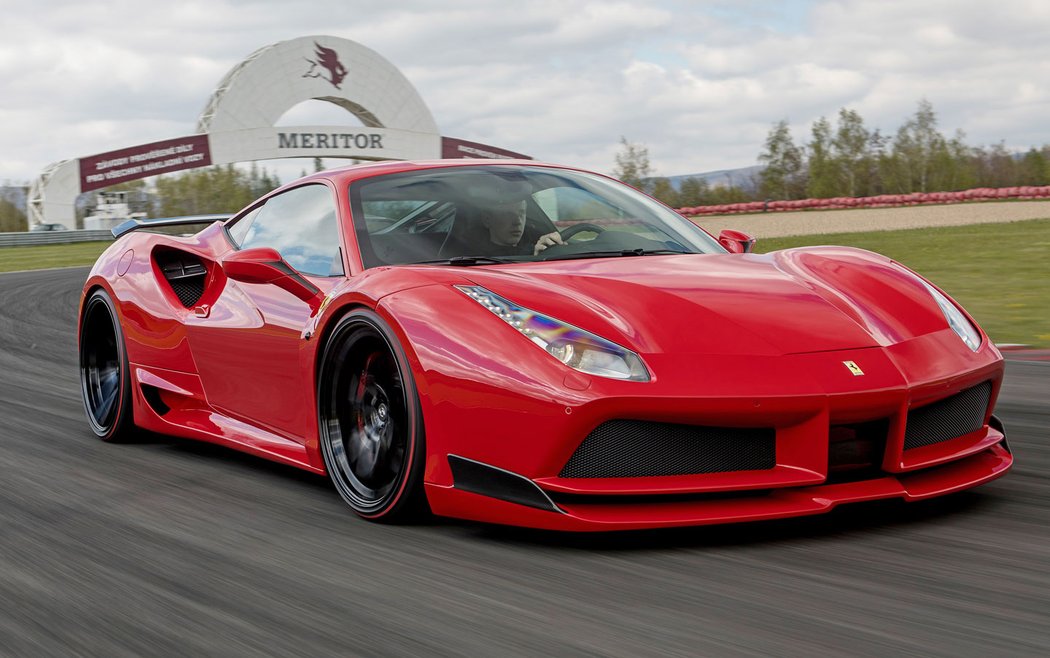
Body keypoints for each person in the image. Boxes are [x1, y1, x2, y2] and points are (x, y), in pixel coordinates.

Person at [475, 199, 564, 256]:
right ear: (487, 220)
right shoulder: (476, 258)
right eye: (508, 214)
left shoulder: (536, 244)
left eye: (521, 213)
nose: (518, 222)